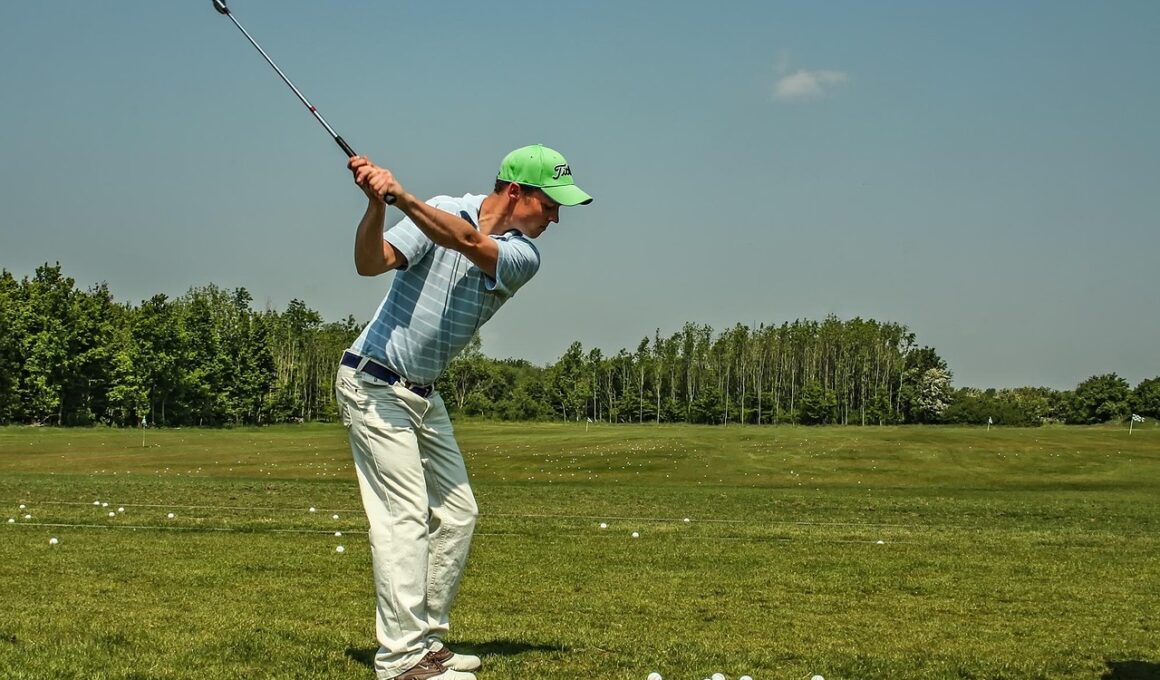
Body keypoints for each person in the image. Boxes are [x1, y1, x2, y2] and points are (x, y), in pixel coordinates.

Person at [334, 145, 593, 680]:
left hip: (423, 394)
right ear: (516, 192)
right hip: (373, 381)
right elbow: (369, 263)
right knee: (404, 518)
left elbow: (469, 241)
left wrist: (402, 197)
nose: (555, 219)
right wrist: (377, 205)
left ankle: (425, 641)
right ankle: (401, 660)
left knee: (457, 513)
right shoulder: (442, 209)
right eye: (550, 205)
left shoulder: (522, 255)